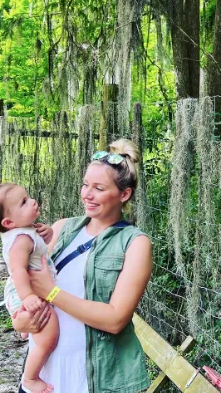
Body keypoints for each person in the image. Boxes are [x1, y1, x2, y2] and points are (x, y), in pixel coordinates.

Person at [12, 138, 152, 393]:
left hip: (95, 380)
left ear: (124, 194)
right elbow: (22, 286)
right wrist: (20, 323)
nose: (87, 194)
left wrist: (51, 292)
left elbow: (115, 319)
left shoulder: (135, 244)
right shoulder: (62, 228)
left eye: (99, 188)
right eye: (86, 184)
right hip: (45, 375)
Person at [0, 176, 59, 393]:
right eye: (23, 202)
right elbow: (19, 270)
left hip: (30, 289)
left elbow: (40, 251)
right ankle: (30, 379)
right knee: (48, 337)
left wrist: (48, 234)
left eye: (28, 197)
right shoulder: (21, 239)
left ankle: (27, 329)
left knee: (41, 329)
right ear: (9, 223)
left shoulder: (26, 231)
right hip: (26, 290)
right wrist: (29, 297)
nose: (32, 201)